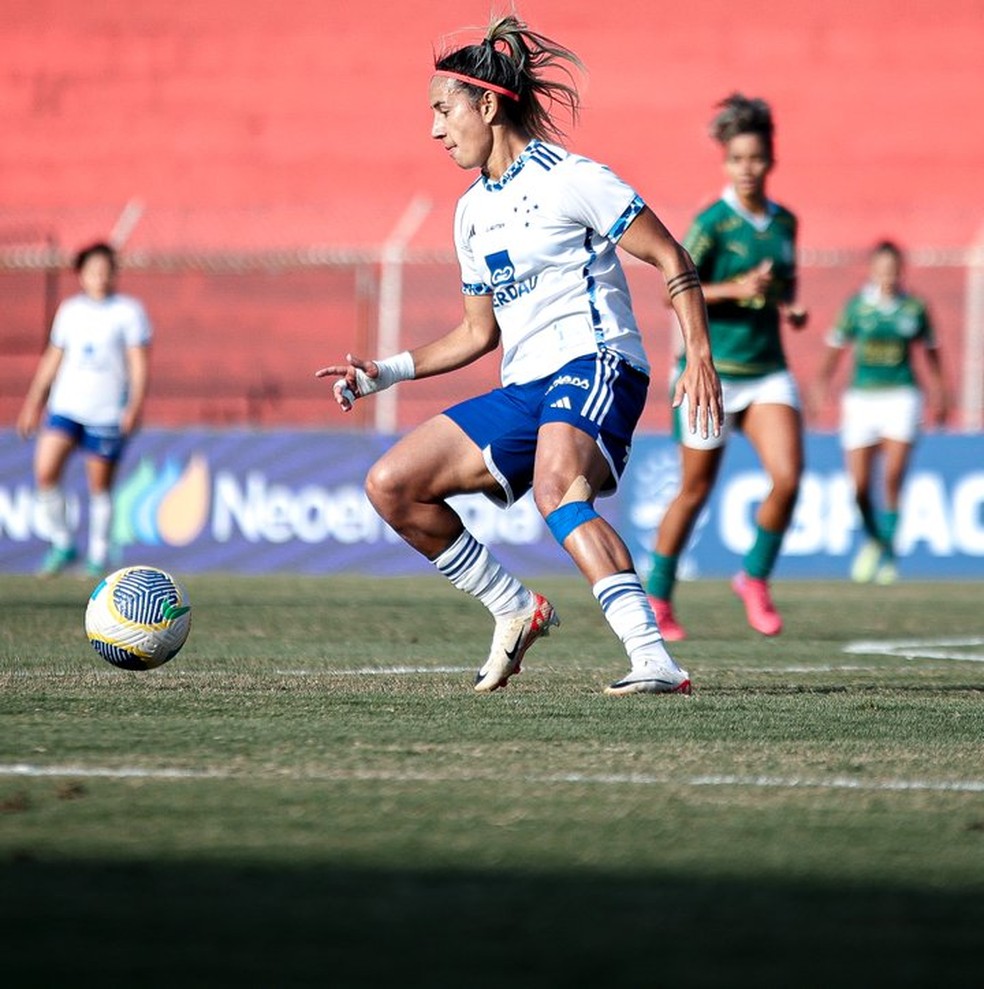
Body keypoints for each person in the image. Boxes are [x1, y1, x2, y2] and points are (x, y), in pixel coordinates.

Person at [316, 14, 722, 696]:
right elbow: (478, 334)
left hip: (599, 362)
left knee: (557, 485)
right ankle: (513, 606)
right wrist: (383, 371)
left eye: (443, 111)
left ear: (487, 102)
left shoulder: (573, 179)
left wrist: (701, 354)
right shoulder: (471, 211)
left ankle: (654, 658)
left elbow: (670, 256)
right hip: (528, 384)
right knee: (392, 485)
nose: (435, 130)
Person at [644, 93, 809, 640]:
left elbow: (782, 285)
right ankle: (659, 598)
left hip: (766, 371)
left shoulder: (785, 221)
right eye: (737, 159)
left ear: (771, 159)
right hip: (711, 373)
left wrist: (790, 304)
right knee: (694, 490)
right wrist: (735, 289)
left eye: (756, 158)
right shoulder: (713, 223)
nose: (747, 168)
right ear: (726, 162)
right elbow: (677, 290)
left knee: (787, 479)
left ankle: (754, 578)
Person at [811, 240, 948, 584]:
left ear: (901, 271)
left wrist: (940, 391)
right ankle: (875, 540)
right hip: (862, 399)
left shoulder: (914, 308)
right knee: (858, 487)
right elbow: (835, 348)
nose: (887, 276)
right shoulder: (858, 307)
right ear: (872, 271)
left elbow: (931, 353)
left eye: (893, 269)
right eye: (881, 269)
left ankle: (888, 555)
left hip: (902, 396)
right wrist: (821, 384)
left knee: (892, 478)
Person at [16, 241, 152, 578]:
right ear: (82, 275)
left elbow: (139, 364)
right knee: (46, 472)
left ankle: (98, 556)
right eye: (93, 271)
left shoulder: (128, 312)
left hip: (106, 410)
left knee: (99, 487)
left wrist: (134, 405)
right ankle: (62, 543)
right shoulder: (70, 311)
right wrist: (34, 402)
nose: (100, 278)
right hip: (67, 405)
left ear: (114, 274)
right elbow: (53, 358)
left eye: (106, 271)